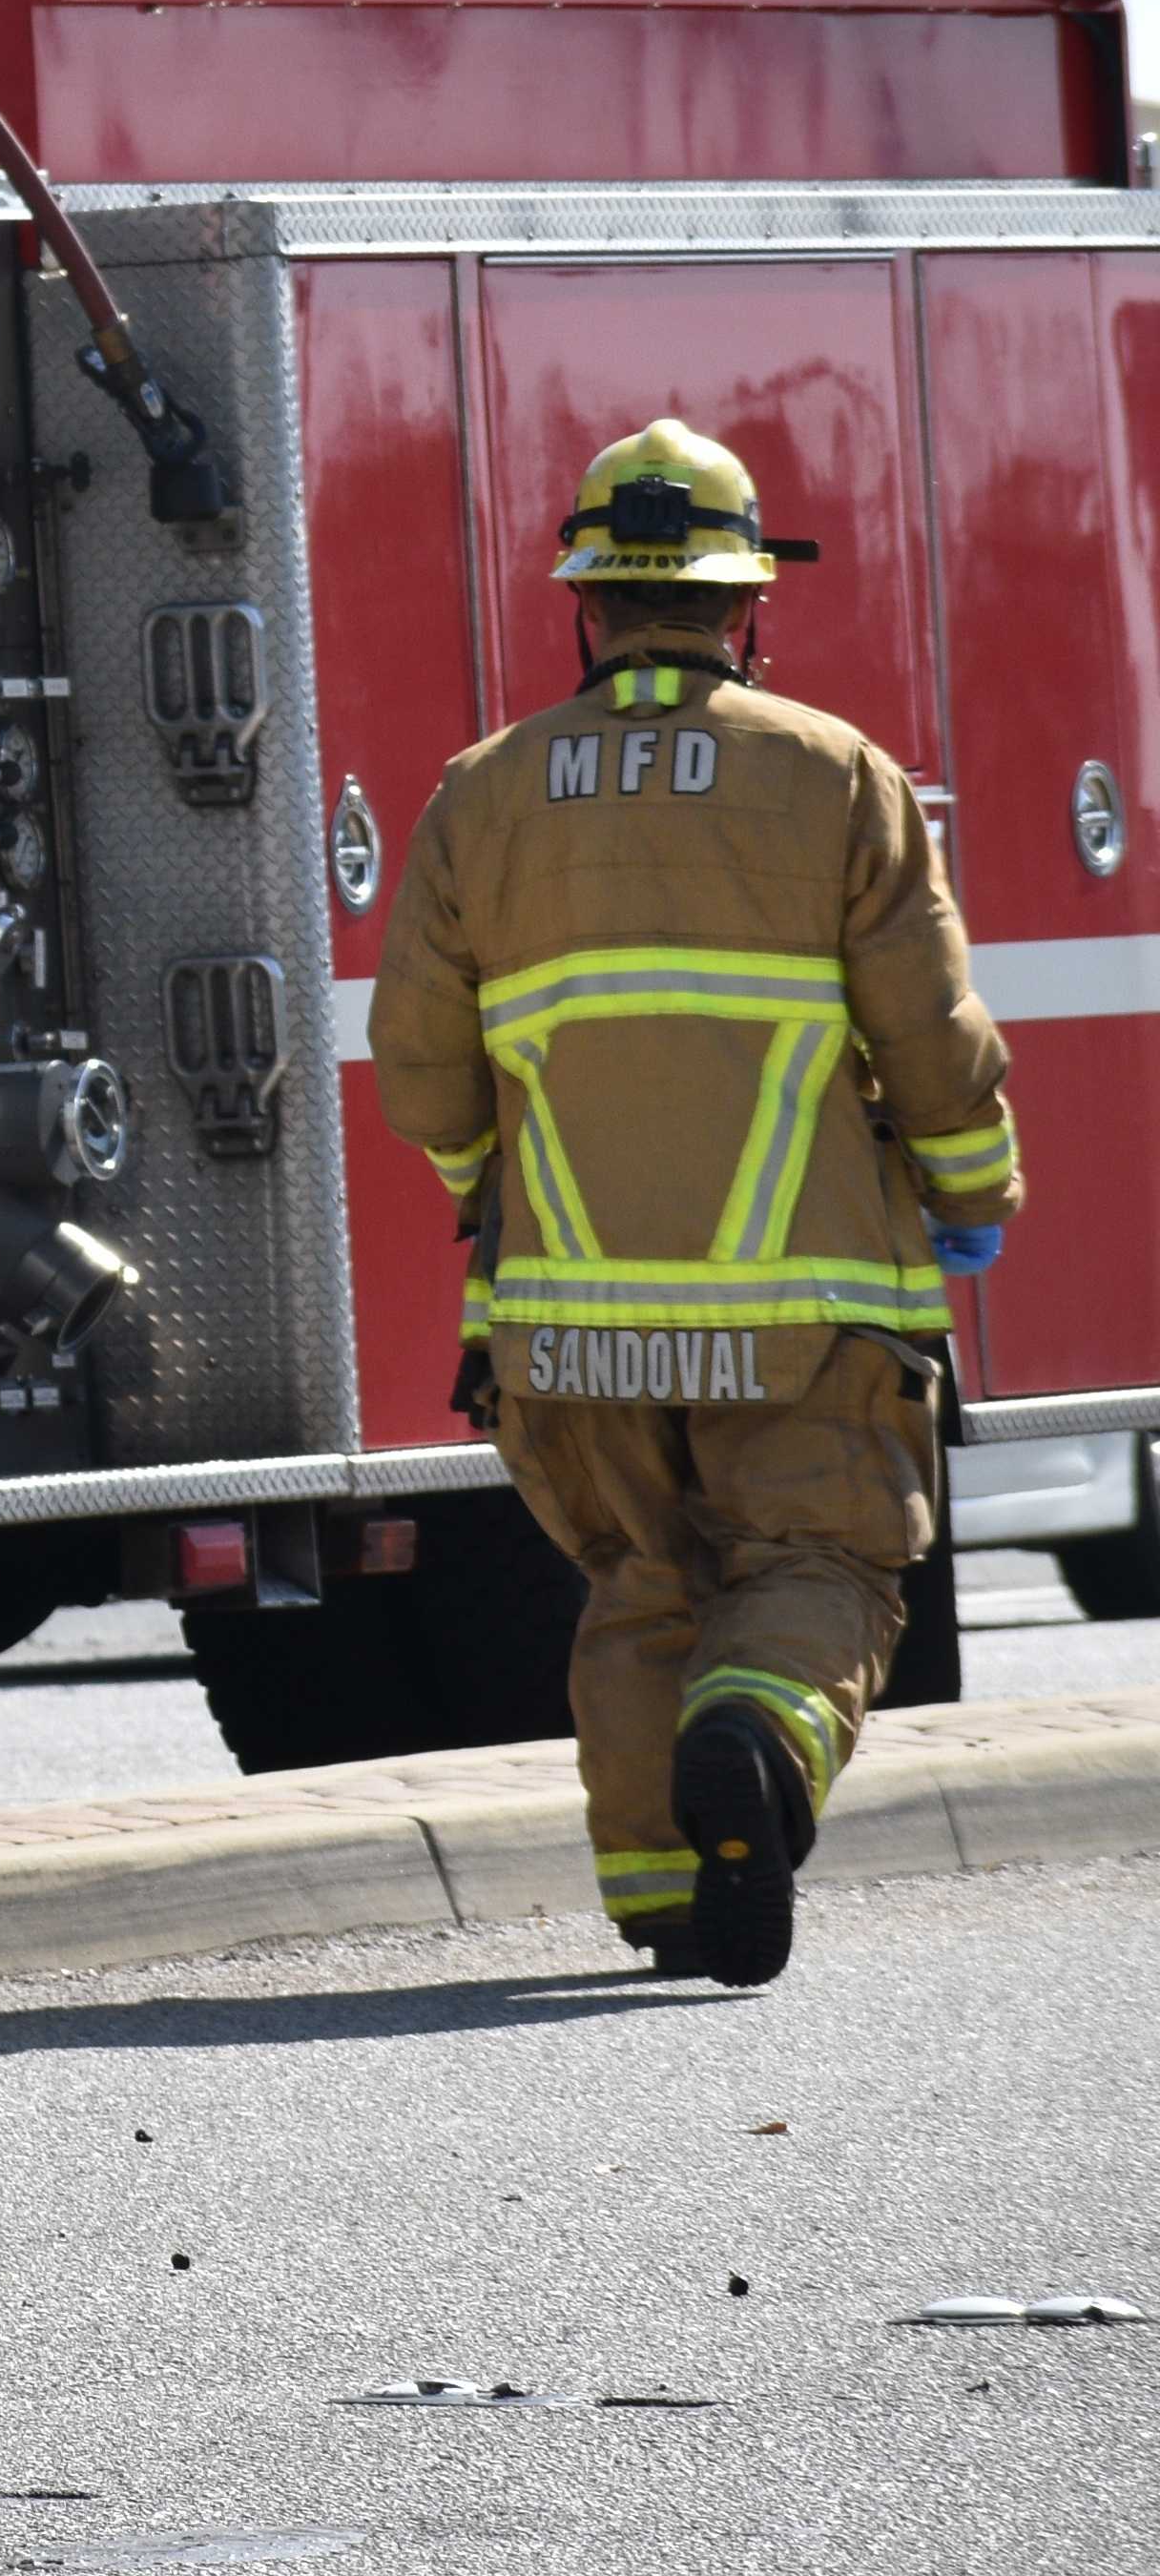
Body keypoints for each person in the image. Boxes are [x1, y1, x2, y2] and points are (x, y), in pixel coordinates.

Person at [367, 418, 1015, 1989]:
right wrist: (972, 1187)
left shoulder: (481, 795)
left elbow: (420, 1066)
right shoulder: (835, 778)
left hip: (572, 1324)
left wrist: (485, 1190)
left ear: (584, 608)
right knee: (823, 1565)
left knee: (643, 1582)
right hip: (805, 1312)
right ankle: (758, 1742)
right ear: (748, 610)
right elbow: (932, 1039)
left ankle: (665, 1889)